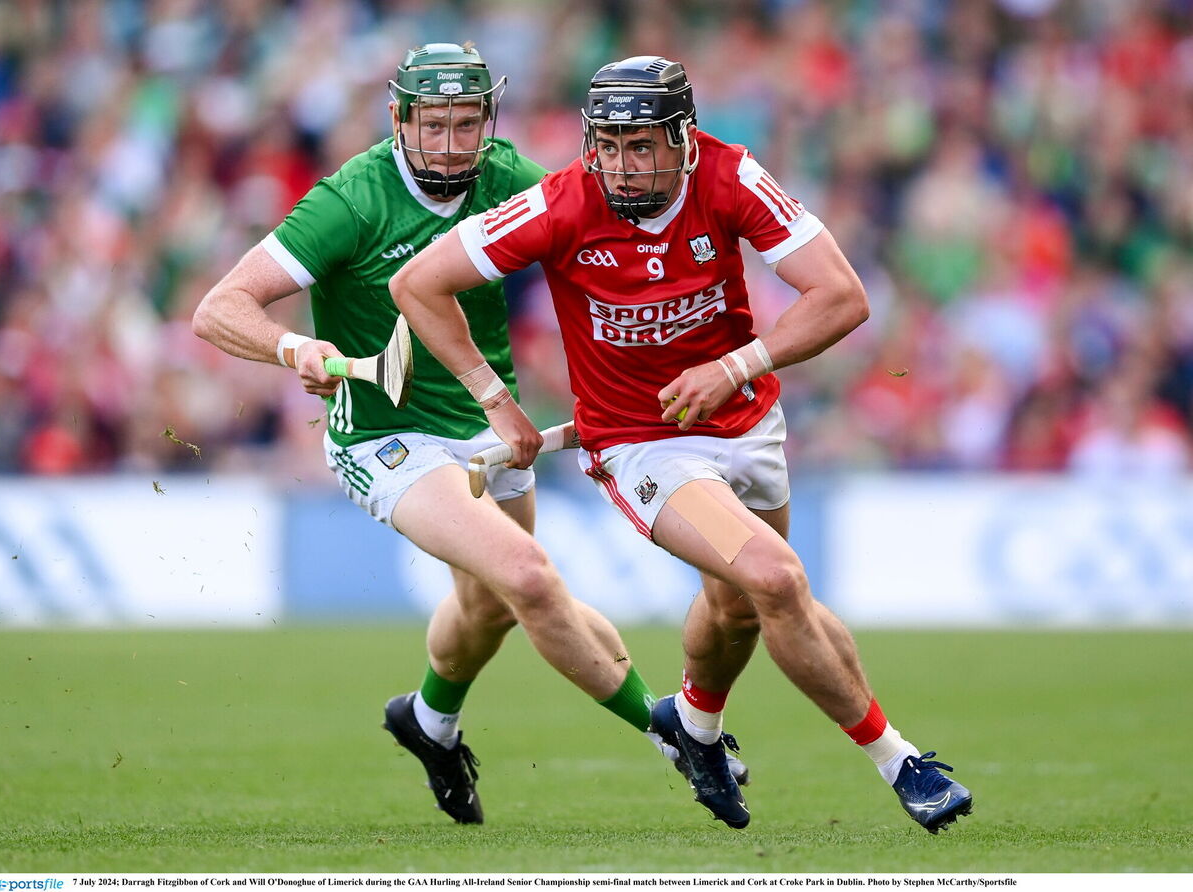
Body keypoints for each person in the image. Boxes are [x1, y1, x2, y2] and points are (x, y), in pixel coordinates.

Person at [390, 55, 975, 833]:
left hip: (745, 420)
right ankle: (901, 761)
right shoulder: (560, 203)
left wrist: (735, 366)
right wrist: (497, 402)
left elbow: (842, 296)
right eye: (607, 144)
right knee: (776, 579)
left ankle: (694, 727)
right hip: (643, 444)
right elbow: (418, 284)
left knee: (737, 609)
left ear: (683, 137)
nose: (621, 166)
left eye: (640, 146)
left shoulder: (731, 178)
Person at [192, 43, 736, 826]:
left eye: (466, 126)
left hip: (492, 427)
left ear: (489, 120)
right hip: (386, 435)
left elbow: (607, 248)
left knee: (488, 607)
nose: (451, 146)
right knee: (529, 575)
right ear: (399, 120)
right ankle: (670, 732)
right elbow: (221, 307)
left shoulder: (507, 178)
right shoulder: (351, 202)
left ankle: (430, 720)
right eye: (434, 127)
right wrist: (294, 347)